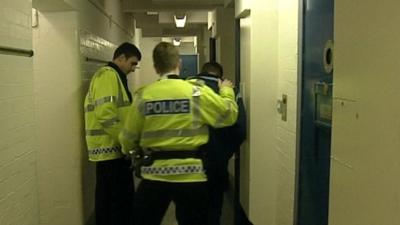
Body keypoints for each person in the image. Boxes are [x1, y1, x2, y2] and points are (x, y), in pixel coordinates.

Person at [119, 42, 238, 225]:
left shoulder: (144, 96)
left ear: (156, 67)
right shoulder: (196, 93)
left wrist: (131, 152)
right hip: (190, 174)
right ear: (179, 63)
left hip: (154, 174)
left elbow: (127, 138)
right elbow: (229, 115)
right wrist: (227, 91)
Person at [84, 42, 141, 225]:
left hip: (113, 149)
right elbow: (106, 114)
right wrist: (125, 140)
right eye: (132, 63)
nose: (133, 69)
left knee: (118, 201)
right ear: (121, 58)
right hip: (108, 149)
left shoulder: (116, 77)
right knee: (112, 203)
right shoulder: (107, 76)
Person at [189, 62, 247, 225]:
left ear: (201, 72)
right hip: (216, 162)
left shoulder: (184, 88)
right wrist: (225, 153)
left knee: (190, 209)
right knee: (214, 207)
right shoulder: (230, 91)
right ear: (220, 76)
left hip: (188, 160)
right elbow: (241, 129)